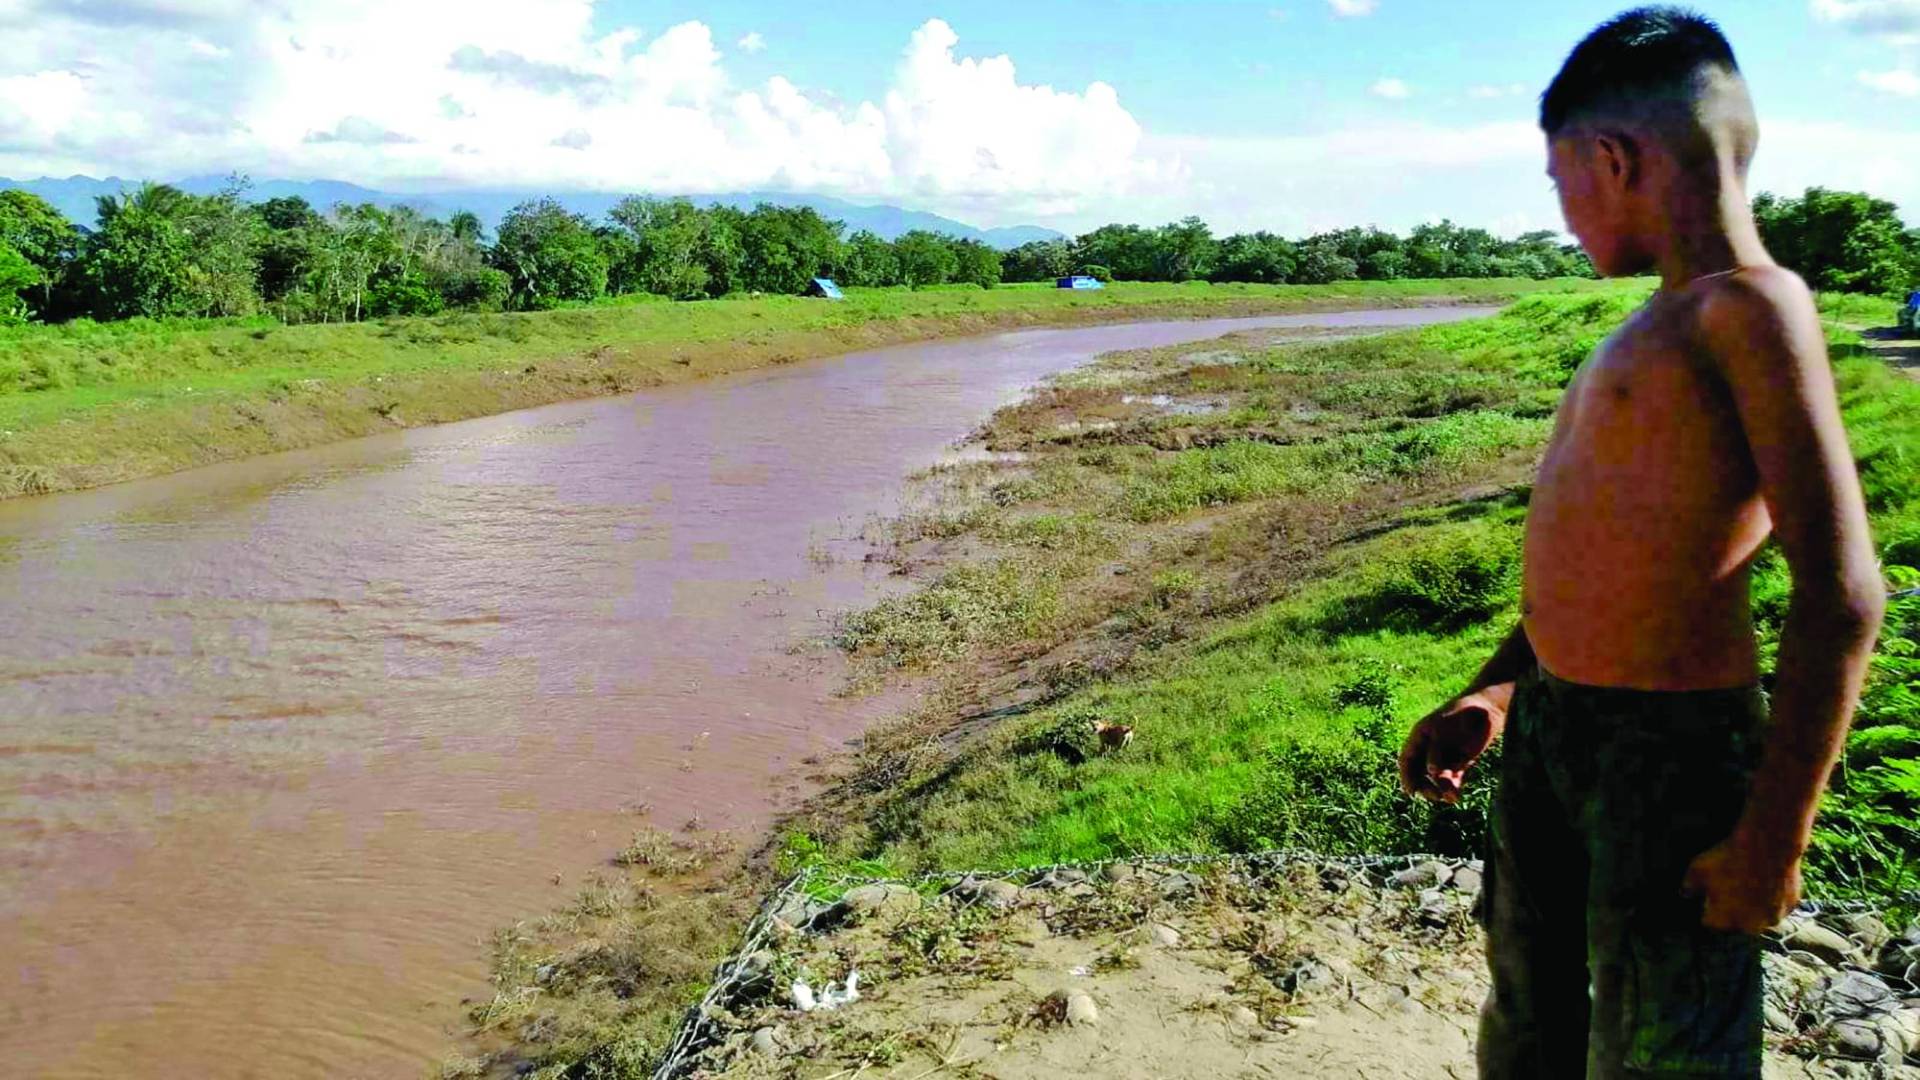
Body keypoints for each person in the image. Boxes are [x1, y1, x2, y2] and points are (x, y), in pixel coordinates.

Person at [1396, 8, 1886, 1078]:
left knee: (1668, 1043)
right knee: (1532, 1016)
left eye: (1556, 179)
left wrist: (1773, 839)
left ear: (1612, 158)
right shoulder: (1643, 328)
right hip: (1555, 731)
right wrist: (1497, 693)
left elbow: (1843, 596)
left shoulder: (1750, 309)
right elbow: (1607, 572)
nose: (1562, 209)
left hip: (1668, 755)